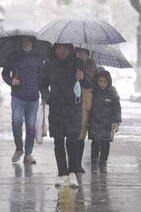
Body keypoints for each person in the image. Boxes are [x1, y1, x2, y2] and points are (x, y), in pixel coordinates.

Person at [40, 44, 90, 187]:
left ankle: (73, 172)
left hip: (74, 108)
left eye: (65, 49)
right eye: (59, 49)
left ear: (70, 49)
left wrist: (83, 76)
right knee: (59, 141)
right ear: (55, 49)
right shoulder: (48, 64)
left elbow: (89, 83)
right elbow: (42, 84)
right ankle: (62, 173)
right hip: (56, 108)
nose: (62, 52)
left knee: (73, 141)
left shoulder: (78, 62)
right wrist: (47, 97)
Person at [2, 36, 43, 165]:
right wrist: (11, 81)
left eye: (29, 41)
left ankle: (28, 154)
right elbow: (5, 73)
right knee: (17, 121)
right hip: (18, 96)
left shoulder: (38, 58)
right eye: (24, 41)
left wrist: (45, 95)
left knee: (31, 126)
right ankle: (19, 148)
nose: (26, 43)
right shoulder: (13, 56)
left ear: (32, 42)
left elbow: (42, 77)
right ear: (20, 42)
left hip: (33, 97)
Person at [88, 69, 122, 174]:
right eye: (100, 81)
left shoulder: (112, 94)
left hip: (107, 125)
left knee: (105, 145)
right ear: (97, 82)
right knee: (95, 144)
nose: (102, 84)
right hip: (95, 123)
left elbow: (117, 108)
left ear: (108, 82)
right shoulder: (93, 93)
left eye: (104, 82)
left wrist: (116, 122)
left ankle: (103, 163)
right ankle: (94, 164)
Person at [75, 48, 97, 174]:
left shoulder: (91, 65)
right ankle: (73, 161)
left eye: (83, 53)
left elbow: (91, 83)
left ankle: (78, 162)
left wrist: (83, 76)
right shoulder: (72, 63)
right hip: (72, 99)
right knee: (73, 132)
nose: (81, 55)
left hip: (85, 100)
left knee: (81, 131)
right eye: (79, 52)